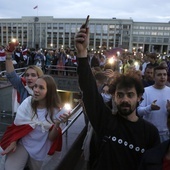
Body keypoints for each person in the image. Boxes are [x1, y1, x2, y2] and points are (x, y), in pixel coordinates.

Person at [75, 23, 160, 170]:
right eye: (120, 95)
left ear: (139, 97)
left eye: (130, 95)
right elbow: (89, 91)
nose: (125, 99)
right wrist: (82, 54)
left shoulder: (150, 133)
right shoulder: (105, 120)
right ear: (114, 96)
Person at [0, 75, 70, 170]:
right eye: (35, 86)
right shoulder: (27, 103)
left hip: (42, 149)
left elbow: (51, 138)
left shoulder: (56, 111)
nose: (36, 90)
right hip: (23, 145)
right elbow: (17, 127)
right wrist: (13, 141)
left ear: (49, 91)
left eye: (41, 88)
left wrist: (57, 124)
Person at [137, 65, 170, 142]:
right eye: (159, 75)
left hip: (166, 134)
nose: (162, 77)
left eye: (164, 74)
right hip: (149, 133)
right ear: (154, 77)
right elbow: (139, 111)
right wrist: (150, 108)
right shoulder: (146, 91)